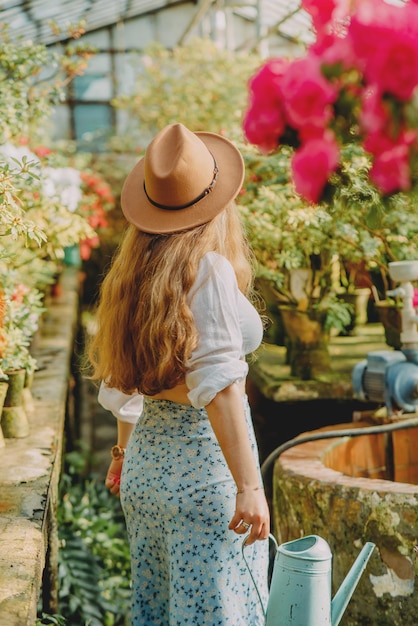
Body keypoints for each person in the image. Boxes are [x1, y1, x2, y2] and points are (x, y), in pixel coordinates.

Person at [88, 122, 270, 626]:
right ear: (215, 202)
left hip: (145, 472)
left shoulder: (129, 276)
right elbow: (220, 388)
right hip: (204, 477)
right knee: (217, 613)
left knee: (160, 610)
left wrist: (123, 456)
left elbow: (120, 386)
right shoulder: (208, 268)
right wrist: (250, 487)